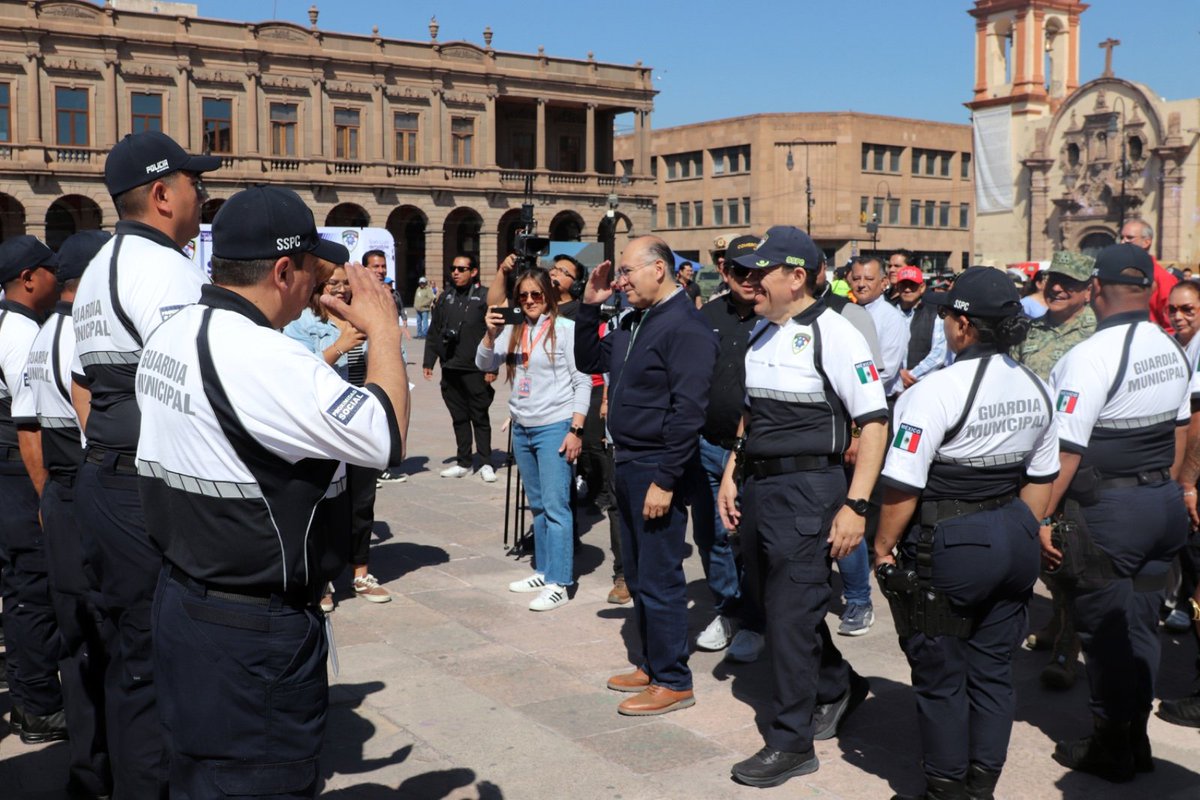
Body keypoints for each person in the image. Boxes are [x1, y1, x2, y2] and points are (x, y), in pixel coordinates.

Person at [136, 185, 408, 799]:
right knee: (259, 780)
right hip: (252, 632)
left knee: (201, 777)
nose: (319, 285)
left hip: (185, 602)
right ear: (283, 270)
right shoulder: (268, 358)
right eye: (313, 271)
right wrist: (385, 333)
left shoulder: (174, 332)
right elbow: (385, 438)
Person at [71, 129, 220, 798]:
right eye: (194, 181)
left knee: (128, 663)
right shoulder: (165, 269)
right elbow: (197, 383)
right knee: (162, 662)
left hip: (104, 474)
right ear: (163, 195)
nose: (203, 192)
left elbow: (84, 387)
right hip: (145, 488)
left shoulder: (102, 264)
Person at [874, 266, 1059, 800]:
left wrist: (882, 549)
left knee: (940, 676)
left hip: (951, 543)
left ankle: (946, 788)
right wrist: (1022, 531)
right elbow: (1040, 481)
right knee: (994, 671)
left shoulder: (935, 391)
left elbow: (902, 488)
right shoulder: (1037, 386)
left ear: (961, 325)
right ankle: (983, 784)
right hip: (1015, 534)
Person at [718, 226, 888, 788]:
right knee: (779, 609)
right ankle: (839, 683)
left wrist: (857, 506)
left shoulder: (835, 334)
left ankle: (791, 742)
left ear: (795, 276)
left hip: (809, 494)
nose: (748, 281)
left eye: (758, 273)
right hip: (761, 490)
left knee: (791, 619)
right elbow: (751, 419)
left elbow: (874, 422)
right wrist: (730, 476)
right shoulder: (762, 334)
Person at [1043, 243, 1190, 783]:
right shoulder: (1170, 346)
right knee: (1143, 628)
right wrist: (1170, 488)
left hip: (1111, 513)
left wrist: (1038, 519)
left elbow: (1066, 451)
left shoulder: (1089, 356)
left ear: (1096, 289)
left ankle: (1111, 743)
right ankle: (1137, 736)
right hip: (1159, 504)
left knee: (1105, 633)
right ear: (1149, 291)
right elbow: (1179, 429)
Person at [575, 235, 717, 716]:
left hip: (657, 466)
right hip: (628, 461)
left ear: (659, 269)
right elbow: (589, 361)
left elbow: (688, 411)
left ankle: (674, 679)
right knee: (636, 573)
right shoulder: (636, 321)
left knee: (659, 576)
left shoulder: (685, 327)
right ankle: (653, 663)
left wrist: (666, 478)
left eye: (628, 271)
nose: (620, 280)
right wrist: (590, 307)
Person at [16, 231, 113, 796]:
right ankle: (113, 766)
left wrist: (48, 501)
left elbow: (28, 432)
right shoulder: (86, 333)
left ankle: (87, 770)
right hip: (89, 489)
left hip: (60, 489)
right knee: (111, 639)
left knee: (77, 641)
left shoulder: (44, 333)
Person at [477, 269, 590, 611]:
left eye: (536, 295)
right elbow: (483, 362)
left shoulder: (566, 331)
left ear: (549, 297)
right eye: (523, 296)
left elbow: (582, 382)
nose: (529, 301)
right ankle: (544, 569)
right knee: (538, 505)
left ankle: (560, 581)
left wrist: (576, 430)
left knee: (557, 508)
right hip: (523, 427)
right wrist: (490, 332)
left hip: (555, 426)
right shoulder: (511, 330)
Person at [284, 266, 392, 607]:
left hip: (362, 421)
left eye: (347, 284)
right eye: (334, 283)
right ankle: (323, 578)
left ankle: (361, 573)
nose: (342, 289)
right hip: (326, 424)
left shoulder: (365, 320)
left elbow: (392, 361)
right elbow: (299, 374)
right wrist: (341, 346)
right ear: (319, 286)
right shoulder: (302, 323)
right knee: (323, 502)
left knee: (362, 500)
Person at [1013, 251, 1096, 691]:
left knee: (1063, 553)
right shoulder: (1031, 329)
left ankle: (1067, 646)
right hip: (1027, 454)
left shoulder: (1096, 336)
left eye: (1070, 282)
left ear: (1089, 290)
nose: (1058, 287)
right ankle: (1058, 624)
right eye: (1053, 279)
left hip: (1071, 459)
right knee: (1040, 554)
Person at [1, 236, 68, 746]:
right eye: (50, 271)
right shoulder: (21, 332)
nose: (57, 278)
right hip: (17, 476)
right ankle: (37, 706)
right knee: (31, 591)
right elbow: (31, 425)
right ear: (29, 278)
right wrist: (45, 495)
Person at [692, 235, 759, 655]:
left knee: (753, 541)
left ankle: (756, 621)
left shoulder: (778, 317)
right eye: (739, 270)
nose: (749, 279)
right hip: (708, 445)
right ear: (724, 271)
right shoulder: (707, 315)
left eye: (757, 269)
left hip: (756, 452)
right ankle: (728, 611)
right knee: (712, 536)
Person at [1156, 279, 1200, 726]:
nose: (1179, 316)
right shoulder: (1180, 348)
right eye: (1173, 310)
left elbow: (1198, 426)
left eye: (1188, 309)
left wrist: (1185, 484)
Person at [424, 254, 496, 481]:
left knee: (480, 417)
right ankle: (464, 461)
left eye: (461, 269)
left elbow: (497, 334)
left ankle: (485, 462)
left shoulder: (485, 297)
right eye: (453, 268)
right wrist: (429, 361)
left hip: (476, 368)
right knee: (459, 417)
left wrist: (493, 366)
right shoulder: (446, 297)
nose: (455, 272)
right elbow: (434, 330)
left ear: (473, 272)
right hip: (451, 367)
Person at [850, 255, 910, 400]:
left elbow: (886, 370)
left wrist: (854, 391)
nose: (861, 284)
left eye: (869, 279)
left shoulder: (891, 318)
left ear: (883, 282)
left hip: (878, 400)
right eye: (856, 278)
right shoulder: (846, 313)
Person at [1120, 220, 1177, 333]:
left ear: (1146, 242)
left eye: (1129, 238)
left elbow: (1172, 326)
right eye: (1122, 237)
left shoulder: (1163, 278)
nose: (1122, 242)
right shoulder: (1118, 273)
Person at [896, 267, 948, 390]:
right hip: (892, 387)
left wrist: (910, 376)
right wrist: (897, 375)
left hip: (922, 386)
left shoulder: (935, 315)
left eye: (912, 285)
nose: (907, 289)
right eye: (903, 285)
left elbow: (939, 354)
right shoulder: (888, 313)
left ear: (922, 287)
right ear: (897, 287)